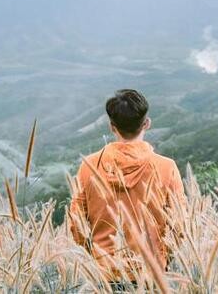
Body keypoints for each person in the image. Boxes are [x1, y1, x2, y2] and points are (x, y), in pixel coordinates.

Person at [69, 89, 186, 282]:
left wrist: (98, 257)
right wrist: (163, 258)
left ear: (112, 127)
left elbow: (77, 225)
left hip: (105, 274)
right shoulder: (166, 167)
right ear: (147, 124)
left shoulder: (88, 167)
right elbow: (179, 226)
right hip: (152, 274)